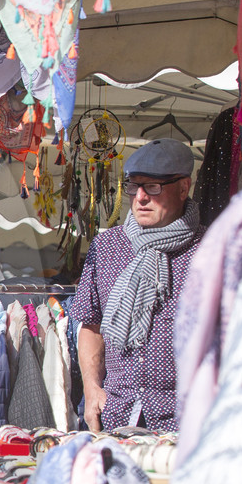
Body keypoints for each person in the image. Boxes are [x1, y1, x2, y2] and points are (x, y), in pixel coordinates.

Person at [75, 139, 203, 432]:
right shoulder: (107, 246)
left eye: (153, 187)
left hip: (188, 419)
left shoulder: (212, 249)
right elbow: (91, 325)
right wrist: (92, 387)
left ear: (184, 188)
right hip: (118, 413)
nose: (141, 197)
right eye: (134, 186)